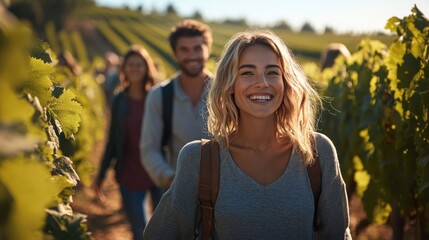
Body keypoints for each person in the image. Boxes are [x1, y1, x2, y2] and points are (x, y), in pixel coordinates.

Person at [143, 30, 352, 239]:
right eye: (247, 73)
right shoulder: (197, 158)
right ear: (230, 84)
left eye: (272, 72)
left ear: (285, 82)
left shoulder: (318, 152)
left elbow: (338, 235)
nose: (262, 82)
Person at [94, 45, 162, 240]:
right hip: (129, 172)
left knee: (163, 229)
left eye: (139, 64)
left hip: (157, 172)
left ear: (146, 68)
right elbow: (112, 140)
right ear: (124, 69)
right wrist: (101, 174)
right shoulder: (119, 100)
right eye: (130, 64)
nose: (134, 68)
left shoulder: (157, 97)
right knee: (140, 229)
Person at [139, 19, 213, 189]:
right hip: (177, 189)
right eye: (184, 49)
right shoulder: (159, 95)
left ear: (207, 50)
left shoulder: (226, 93)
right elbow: (149, 148)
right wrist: (170, 179)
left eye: (197, 48)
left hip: (223, 191)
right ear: (174, 53)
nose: (192, 55)